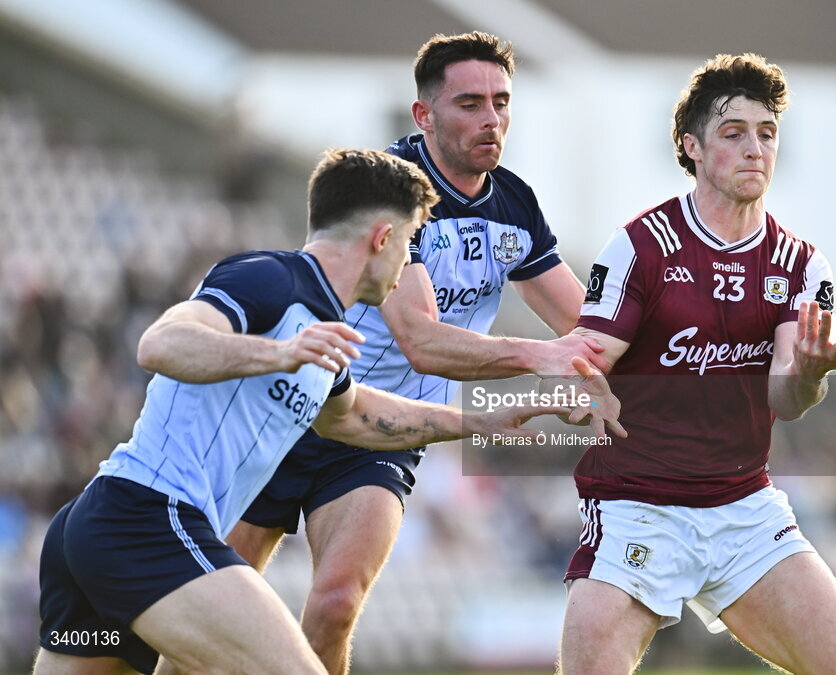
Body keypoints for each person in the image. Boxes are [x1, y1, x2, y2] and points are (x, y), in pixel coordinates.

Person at [34, 148, 566, 675]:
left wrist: (480, 423)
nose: (407, 264)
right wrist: (278, 354)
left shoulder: (321, 330)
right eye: (408, 244)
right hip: (146, 519)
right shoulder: (269, 279)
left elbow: (353, 416)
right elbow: (160, 343)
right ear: (382, 238)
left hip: (99, 536)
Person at [222, 31, 612, 675]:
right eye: (469, 103)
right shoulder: (389, 194)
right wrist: (542, 357)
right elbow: (422, 340)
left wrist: (709, 343)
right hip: (294, 405)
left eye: (501, 102)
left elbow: (587, 322)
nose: (491, 119)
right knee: (218, 595)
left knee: (338, 604)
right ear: (423, 116)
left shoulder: (513, 202)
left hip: (387, 429)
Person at [557, 54, 836, 674]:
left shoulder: (800, 263)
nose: (755, 149)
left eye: (767, 133)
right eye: (734, 134)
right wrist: (581, 391)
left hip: (745, 510)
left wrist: (810, 372)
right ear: (693, 147)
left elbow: (786, 401)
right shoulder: (642, 245)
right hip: (638, 505)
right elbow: (586, 357)